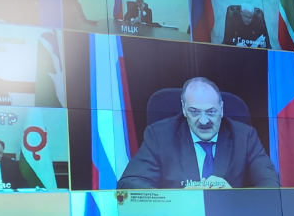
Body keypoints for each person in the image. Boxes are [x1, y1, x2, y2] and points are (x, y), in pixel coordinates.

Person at [117, 77, 279, 189]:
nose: (203, 121)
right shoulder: (159, 136)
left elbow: (271, 185)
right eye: (194, 112)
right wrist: (182, 198)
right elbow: (129, 184)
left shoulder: (245, 137)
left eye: (211, 112)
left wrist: (232, 196)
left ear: (222, 109)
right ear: (184, 109)